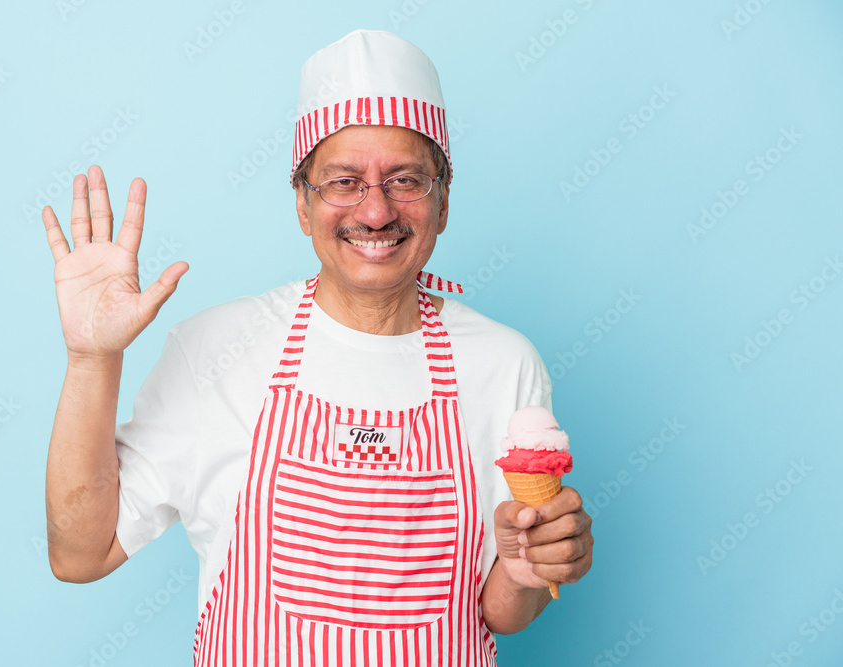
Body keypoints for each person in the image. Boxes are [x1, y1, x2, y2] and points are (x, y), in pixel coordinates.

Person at [42, 29, 592, 665]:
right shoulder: (215, 349)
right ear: (303, 204)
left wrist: (534, 564)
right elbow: (79, 555)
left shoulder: (503, 363)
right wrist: (91, 359)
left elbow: (500, 612)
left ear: (443, 201)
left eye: (406, 179)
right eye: (343, 181)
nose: (377, 211)